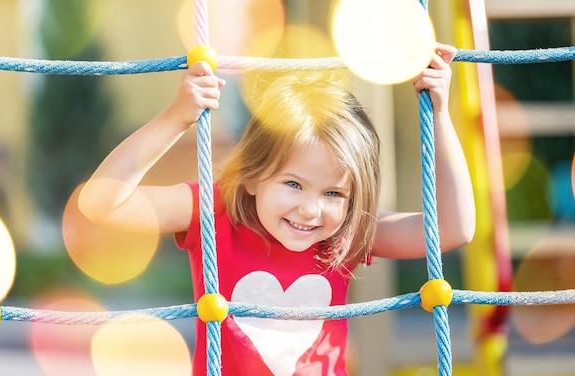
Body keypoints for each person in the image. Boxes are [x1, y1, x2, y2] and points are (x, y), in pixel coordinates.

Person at [79, 42, 475, 375]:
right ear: (252, 177)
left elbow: (453, 229)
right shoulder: (215, 212)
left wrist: (438, 115)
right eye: (293, 184)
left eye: (334, 193)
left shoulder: (343, 232)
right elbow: (102, 202)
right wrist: (176, 118)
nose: (310, 210)